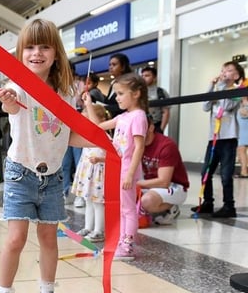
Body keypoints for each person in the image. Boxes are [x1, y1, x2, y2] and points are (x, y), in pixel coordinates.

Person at [0, 19, 86, 293]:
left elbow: (69, 135)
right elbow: (13, 109)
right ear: (20, 52)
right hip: (20, 174)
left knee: (48, 239)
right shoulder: (17, 88)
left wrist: (106, 144)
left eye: (44, 46)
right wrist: (9, 103)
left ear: (56, 52)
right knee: (16, 239)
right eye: (30, 47)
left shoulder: (67, 93)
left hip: (53, 177)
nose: (37, 53)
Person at [87, 73, 148, 260]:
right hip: (117, 169)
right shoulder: (123, 117)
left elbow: (139, 147)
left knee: (128, 209)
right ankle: (122, 240)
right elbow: (97, 127)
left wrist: (130, 174)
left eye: (121, 93)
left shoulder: (138, 117)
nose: (117, 98)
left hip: (126, 171)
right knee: (122, 208)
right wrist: (89, 104)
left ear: (136, 93)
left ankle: (127, 245)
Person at [190, 61, 243, 218]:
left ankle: (229, 206)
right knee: (206, 171)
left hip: (228, 138)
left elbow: (226, 106)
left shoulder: (237, 92)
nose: (224, 72)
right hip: (213, 138)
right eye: (222, 70)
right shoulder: (217, 89)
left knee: (226, 175)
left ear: (236, 75)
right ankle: (208, 202)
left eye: (229, 70)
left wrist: (221, 87)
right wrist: (211, 86)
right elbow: (206, 106)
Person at [138, 115, 189, 225]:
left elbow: (164, 182)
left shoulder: (166, 146)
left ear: (151, 128)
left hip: (174, 186)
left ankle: (171, 208)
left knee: (147, 201)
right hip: (150, 184)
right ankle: (151, 210)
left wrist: (136, 184)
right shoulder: (136, 143)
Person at [71, 103, 108, 241]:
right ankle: (88, 227)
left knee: (98, 203)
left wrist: (99, 159)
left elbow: (113, 156)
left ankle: (99, 230)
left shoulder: (104, 136)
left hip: (98, 175)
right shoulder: (85, 137)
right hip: (88, 174)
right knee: (89, 201)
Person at [141, 66, 170, 134]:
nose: (143, 78)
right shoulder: (138, 92)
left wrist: (161, 129)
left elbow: (166, 112)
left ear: (154, 78)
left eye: (147, 75)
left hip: (155, 124)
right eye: (142, 76)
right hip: (140, 124)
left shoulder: (160, 91)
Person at [103, 53, 132, 118]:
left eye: (114, 64)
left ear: (123, 67)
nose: (111, 67)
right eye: (110, 65)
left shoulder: (128, 82)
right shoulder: (113, 83)